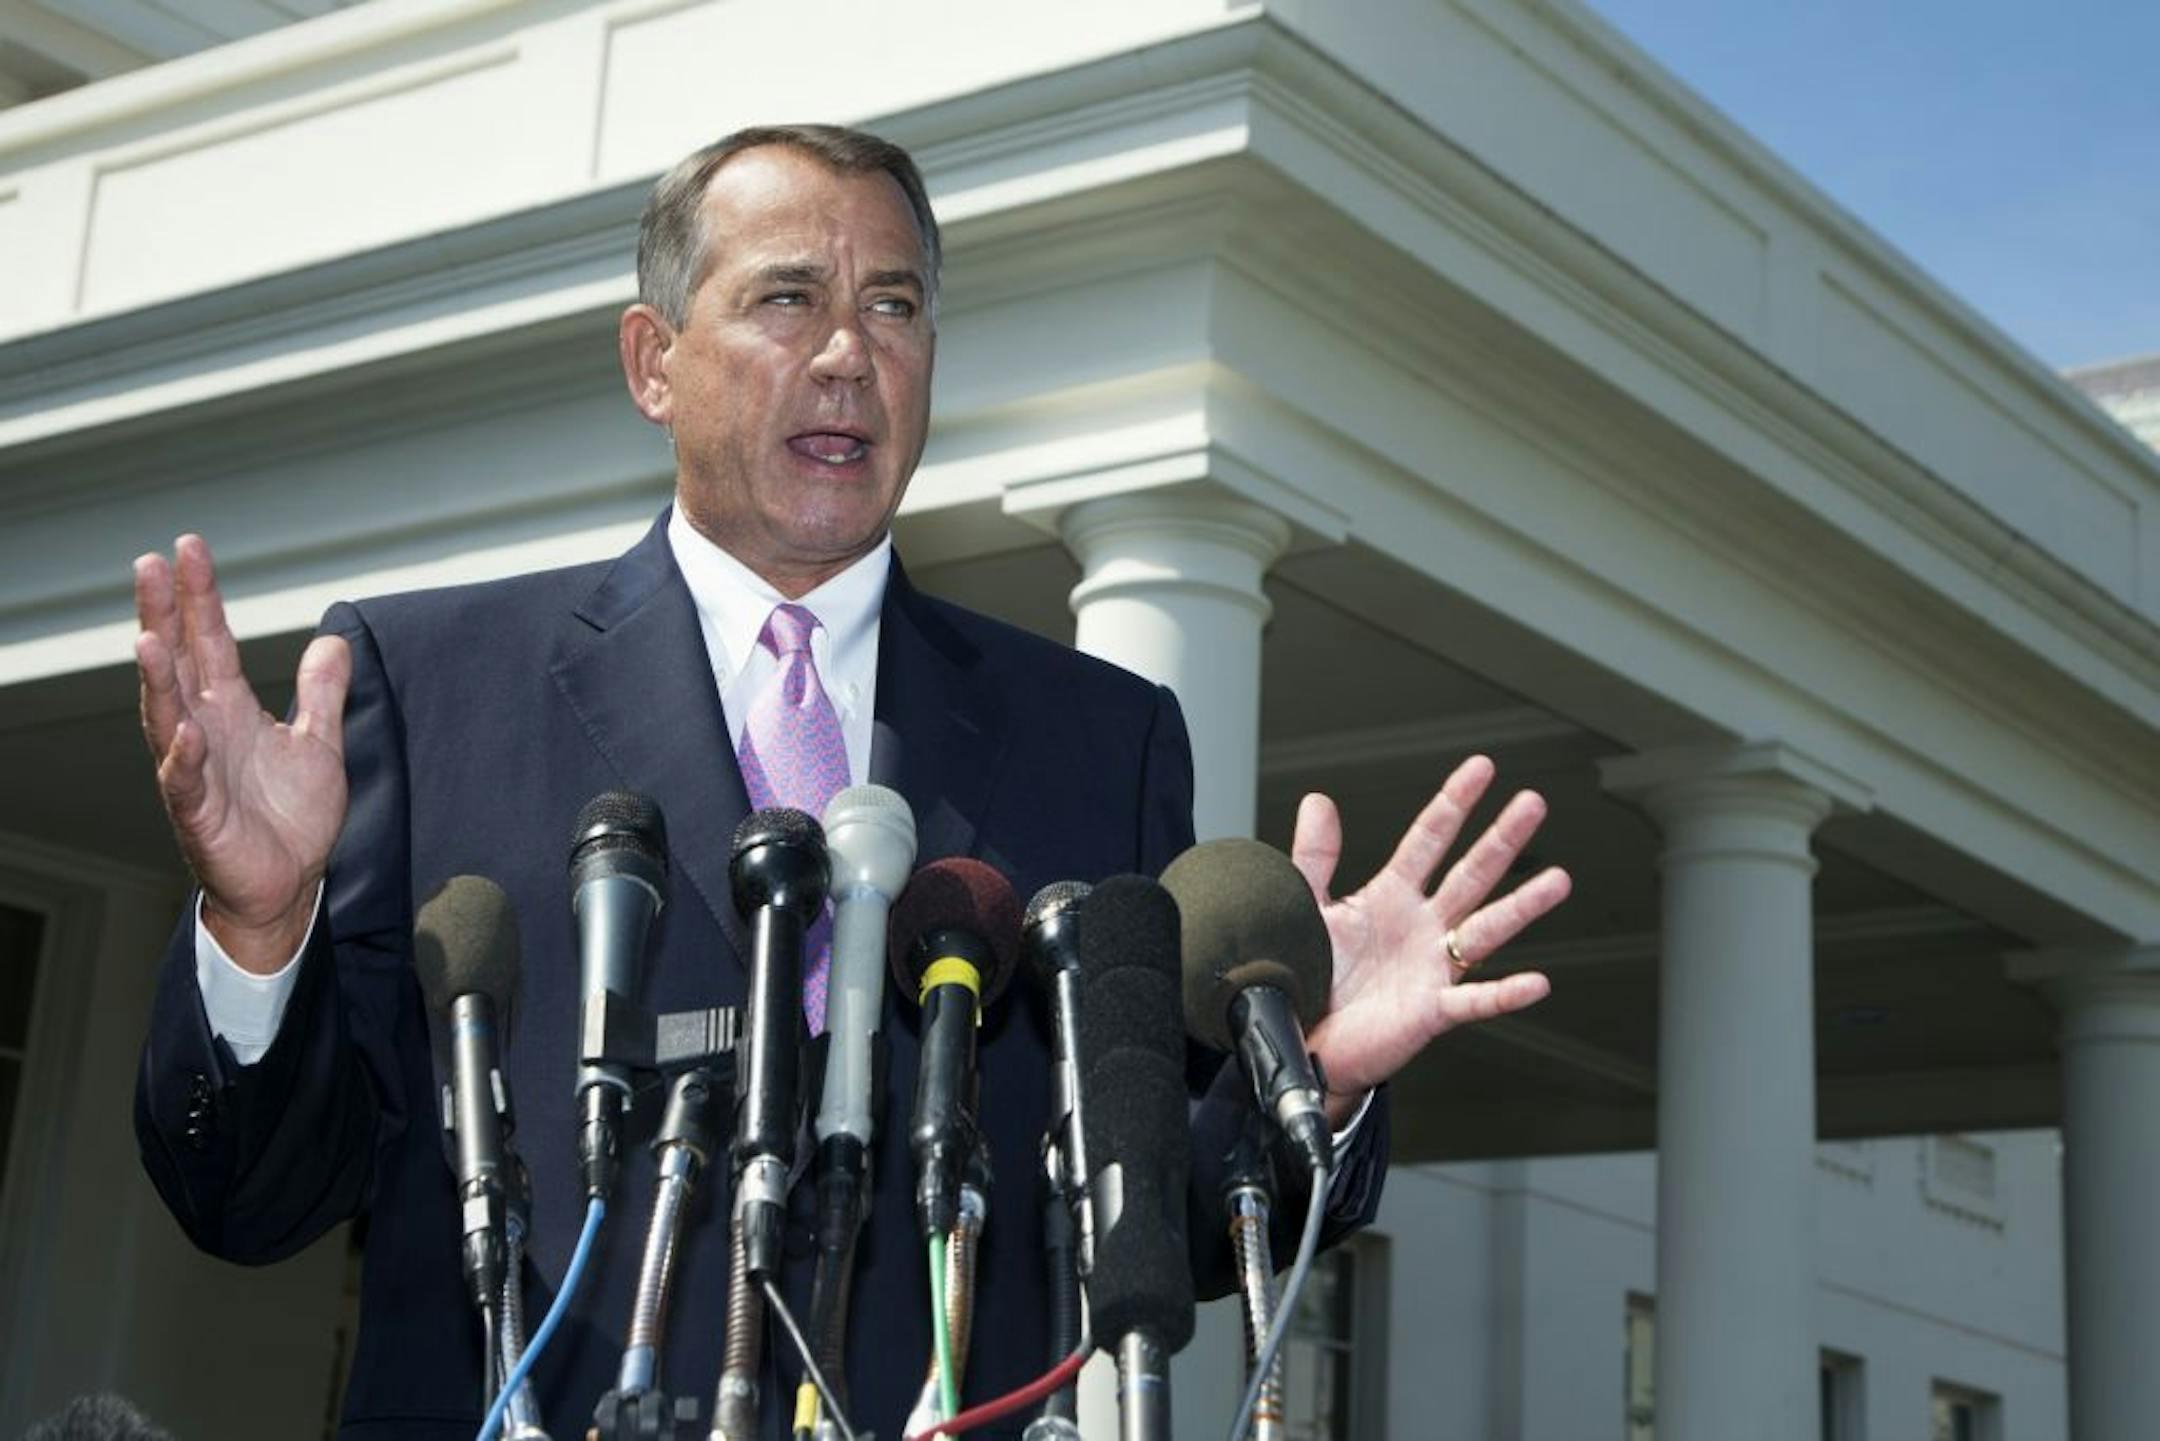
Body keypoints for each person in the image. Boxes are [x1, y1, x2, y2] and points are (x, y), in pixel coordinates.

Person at [132, 126, 1570, 1440]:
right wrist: (259, 935)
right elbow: (257, 1196)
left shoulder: (1102, 737)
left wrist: (1297, 1073)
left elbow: (1166, 1223)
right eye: (783, 300)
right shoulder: (431, 684)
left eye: (893, 306)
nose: (845, 355)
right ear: (653, 360)